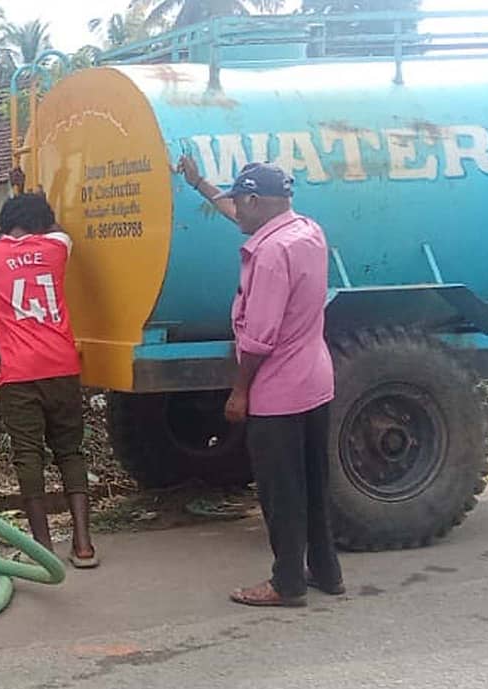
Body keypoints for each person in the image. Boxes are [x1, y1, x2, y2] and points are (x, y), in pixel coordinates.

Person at [178, 157, 344, 607]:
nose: (236, 210)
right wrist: (201, 185)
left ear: (254, 200)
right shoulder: (306, 230)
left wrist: (240, 390)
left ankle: (287, 582)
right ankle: (325, 570)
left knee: (280, 490)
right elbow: (242, 218)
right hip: (315, 379)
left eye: (240, 201)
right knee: (312, 481)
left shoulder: (269, 254)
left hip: (279, 391)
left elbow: (258, 338)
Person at [0, 192, 98, 568]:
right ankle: (83, 545)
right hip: (62, 366)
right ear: (42, 222)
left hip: (18, 372)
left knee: (28, 455)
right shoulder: (56, 245)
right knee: (71, 451)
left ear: (3, 223)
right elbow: (58, 229)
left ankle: (42, 548)